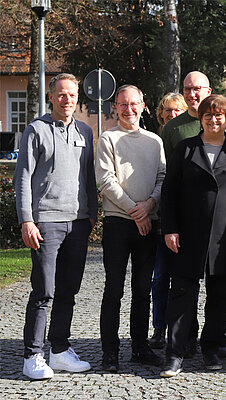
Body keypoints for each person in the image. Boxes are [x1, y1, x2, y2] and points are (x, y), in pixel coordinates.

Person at [14, 73, 97, 380]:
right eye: (61, 94)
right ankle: (32, 355)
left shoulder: (85, 132)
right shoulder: (35, 130)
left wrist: (92, 214)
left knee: (68, 291)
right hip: (45, 222)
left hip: (77, 223)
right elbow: (22, 178)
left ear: (77, 98)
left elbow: (88, 175)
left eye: (72, 95)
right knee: (44, 291)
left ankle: (59, 351)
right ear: (51, 97)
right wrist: (27, 219)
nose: (67, 99)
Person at [160, 95, 226, 377]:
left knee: (220, 295)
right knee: (182, 294)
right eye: (208, 114)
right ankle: (175, 352)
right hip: (187, 234)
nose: (213, 119)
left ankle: (212, 346)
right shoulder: (186, 149)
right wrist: (169, 228)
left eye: (219, 115)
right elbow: (169, 192)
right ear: (200, 118)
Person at [95, 84, 166, 372]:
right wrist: (135, 211)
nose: (129, 109)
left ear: (143, 105)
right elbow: (105, 180)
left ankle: (139, 347)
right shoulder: (107, 139)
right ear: (116, 107)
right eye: (123, 104)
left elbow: (162, 178)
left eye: (134, 103)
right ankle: (110, 352)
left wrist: (149, 206)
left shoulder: (154, 141)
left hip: (148, 222)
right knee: (114, 289)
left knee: (142, 290)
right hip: (118, 223)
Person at [149, 92, 188, 350]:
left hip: (186, 216)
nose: (171, 115)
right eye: (167, 111)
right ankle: (159, 328)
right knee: (160, 276)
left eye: (176, 111)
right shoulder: (154, 142)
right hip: (160, 216)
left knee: (185, 278)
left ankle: (185, 329)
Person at [161, 71, 226, 162]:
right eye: (187, 89)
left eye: (196, 89)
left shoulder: (224, 123)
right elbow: (166, 167)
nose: (191, 94)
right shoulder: (172, 127)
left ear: (208, 92)